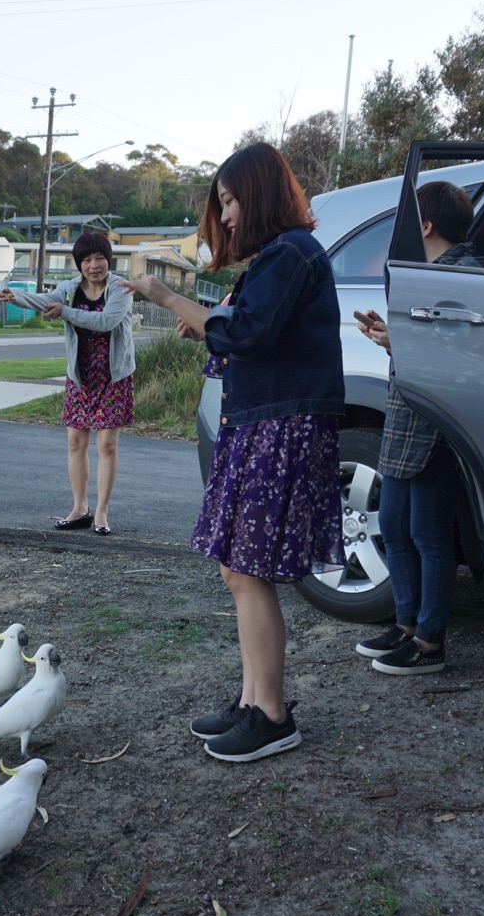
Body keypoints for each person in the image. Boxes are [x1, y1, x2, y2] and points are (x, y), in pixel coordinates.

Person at [121, 143, 344, 762]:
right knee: (234, 567)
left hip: (282, 425)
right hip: (259, 422)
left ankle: (272, 714)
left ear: (261, 193)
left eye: (231, 200)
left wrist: (166, 299)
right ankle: (252, 700)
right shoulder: (277, 258)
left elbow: (245, 332)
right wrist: (208, 323)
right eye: (220, 204)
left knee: (247, 571)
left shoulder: (292, 252)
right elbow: (244, 334)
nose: (227, 216)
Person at [353, 180, 479, 676]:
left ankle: (430, 642)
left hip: (435, 424)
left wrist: (395, 343)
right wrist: (391, 337)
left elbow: (456, 358)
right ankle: (406, 626)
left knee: (428, 534)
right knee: (399, 527)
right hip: (407, 417)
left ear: (424, 225)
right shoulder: (429, 274)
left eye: (409, 220)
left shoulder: (462, 276)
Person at [0, 230, 134, 536]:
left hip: (113, 377)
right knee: (75, 442)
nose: (94, 264)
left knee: (107, 445)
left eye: (99, 257)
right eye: (86, 259)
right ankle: (80, 508)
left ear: (109, 259)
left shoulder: (121, 289)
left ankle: (101, 512)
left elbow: (106, 322)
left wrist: (67, 313)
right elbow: (48, 301)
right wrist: (17, 296)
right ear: (78, 263)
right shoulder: (70, 288)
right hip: (81, 377)